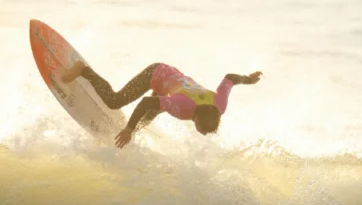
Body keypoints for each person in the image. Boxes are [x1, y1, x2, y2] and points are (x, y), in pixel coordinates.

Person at [59, 60, 262, 148]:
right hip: (157, 74)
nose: (202, 132)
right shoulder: (181, 107)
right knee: (115, 101)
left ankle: (127, 132)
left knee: (145, 120)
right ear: (197, 117)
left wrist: (248, 79)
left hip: (171, 82)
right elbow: (147, 102)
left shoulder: (219, 104)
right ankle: (84, 70)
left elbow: (229, 78)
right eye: (202, 128)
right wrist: (129, 128)